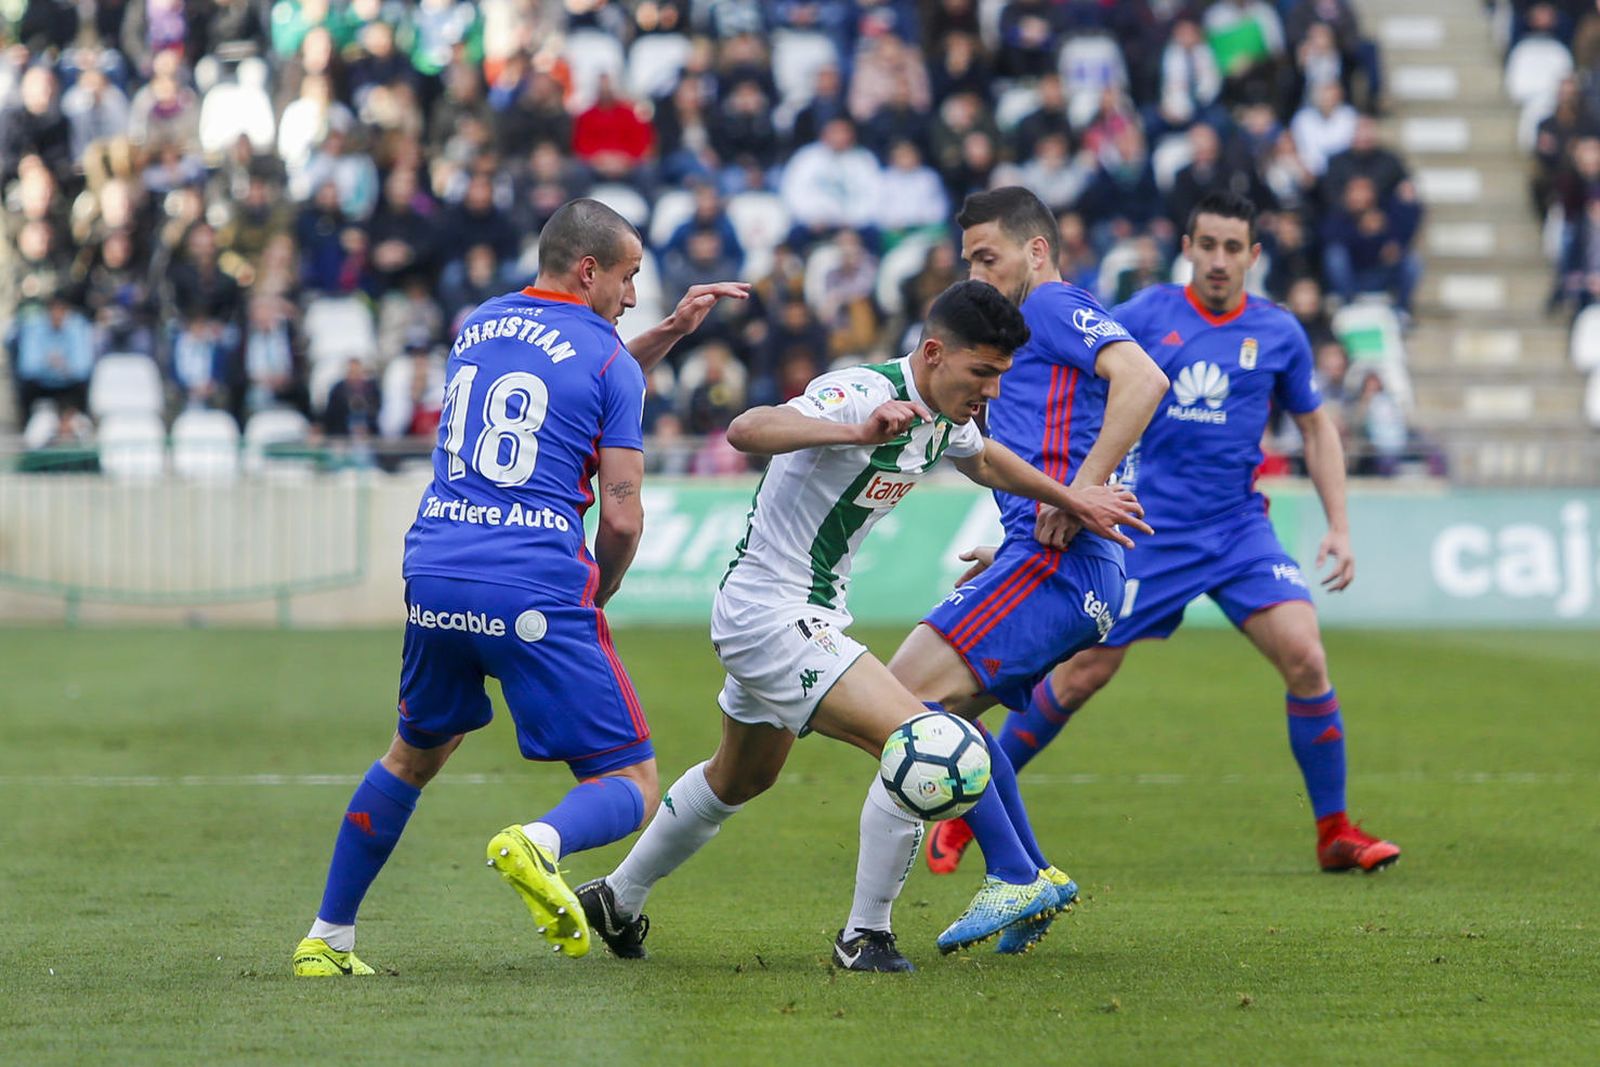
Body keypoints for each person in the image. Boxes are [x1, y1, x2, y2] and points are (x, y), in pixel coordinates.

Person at [578, 280, 1151, 968]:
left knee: (739, 778)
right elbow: (747, 428)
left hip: (804, 613)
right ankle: (867, 934)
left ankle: (616, 895)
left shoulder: (947, 414)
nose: (992, 391)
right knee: (927, 739)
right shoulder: (858, 391)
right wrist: (855, 430)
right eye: (982, 373)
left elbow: (985, 459)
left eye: (1000, 376)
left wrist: (1073, 499)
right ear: (934, 353)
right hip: (769, 612)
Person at [292, 198, 748, 976]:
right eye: (630, 278)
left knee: (412, 754)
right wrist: (594, 594)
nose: (633, 297)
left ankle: (326, 936)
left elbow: (569, 377)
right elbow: (626, 516)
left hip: (434, 566)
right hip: (531, 576)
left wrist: (668, 333)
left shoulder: (479, 323)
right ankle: (539, 843)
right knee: (631, 780)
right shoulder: (607, 360)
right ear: (589, 269)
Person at [927, 191, 1401, 878]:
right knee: (1083, 671)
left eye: (1232, 248)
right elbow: (1084, 400)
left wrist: (1341, 526)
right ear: (1187, 247)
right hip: (1148, 528)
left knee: (1306, 655)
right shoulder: (1143, 314)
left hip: (1240, 531)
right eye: (1206, 244)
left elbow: (1316, 425)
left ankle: (1334, 830)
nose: (1217, 260)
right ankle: (979, 823)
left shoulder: (1279, 332)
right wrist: (1062, 505)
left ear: (1253, 255)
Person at [842, 187, 1169, 966]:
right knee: (950, 716)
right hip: (1048, 562)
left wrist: (1083, 491)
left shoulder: (1053, 304)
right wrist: (1017, 540)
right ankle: (1035, 871)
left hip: (1065, 563)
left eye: (989, 258)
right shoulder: (1021, 343)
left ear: (1037, 251)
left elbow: (1145, 380)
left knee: (903, 700)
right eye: (968, 263)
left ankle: (1013, 870)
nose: (979, 277)